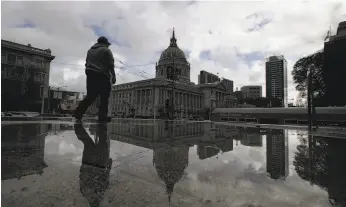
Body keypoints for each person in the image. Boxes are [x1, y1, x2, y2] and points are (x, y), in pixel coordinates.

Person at [74, 36, 116, 122]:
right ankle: (102, 115)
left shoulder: (90, 51)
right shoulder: (106, 50)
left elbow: (86, 63)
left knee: (90, 95)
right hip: (102, 75)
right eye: (108, 44)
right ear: (105, 43)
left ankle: (78, 112)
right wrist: (113, 76)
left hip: (90, 74)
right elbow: (110, 64)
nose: (108, 46)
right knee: (104, 96)